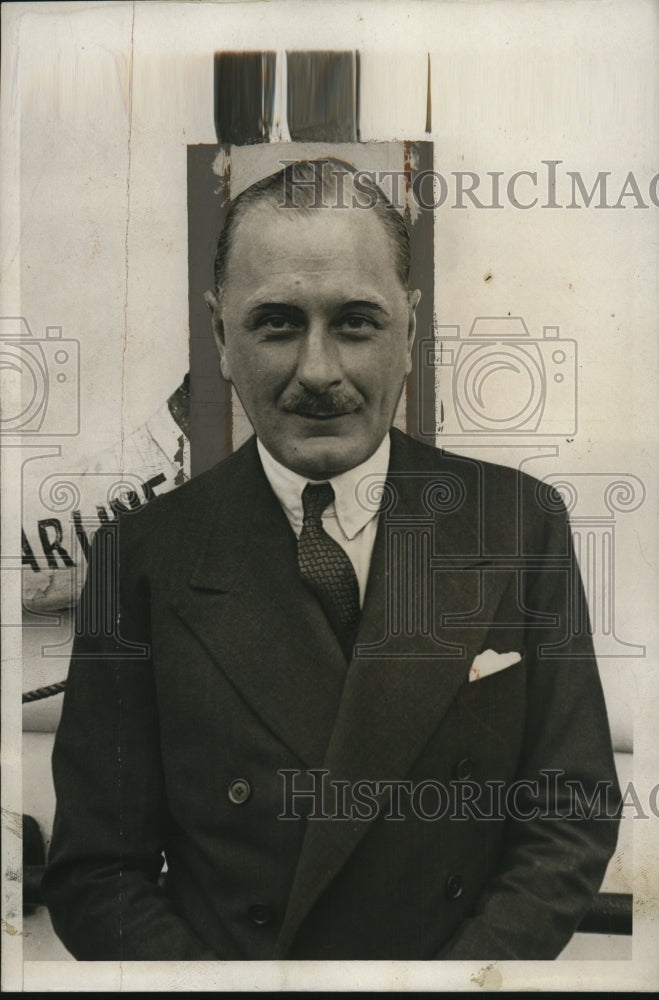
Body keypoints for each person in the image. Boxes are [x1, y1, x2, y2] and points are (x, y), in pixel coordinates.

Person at [43, 159, 621, 961]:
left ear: (409, 331)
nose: (318, 372)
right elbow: (97, 874)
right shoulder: (138, 559)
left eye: (356, 322)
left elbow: (569, 810)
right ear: (218, 335)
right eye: (276, 323)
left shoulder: (518, 524)